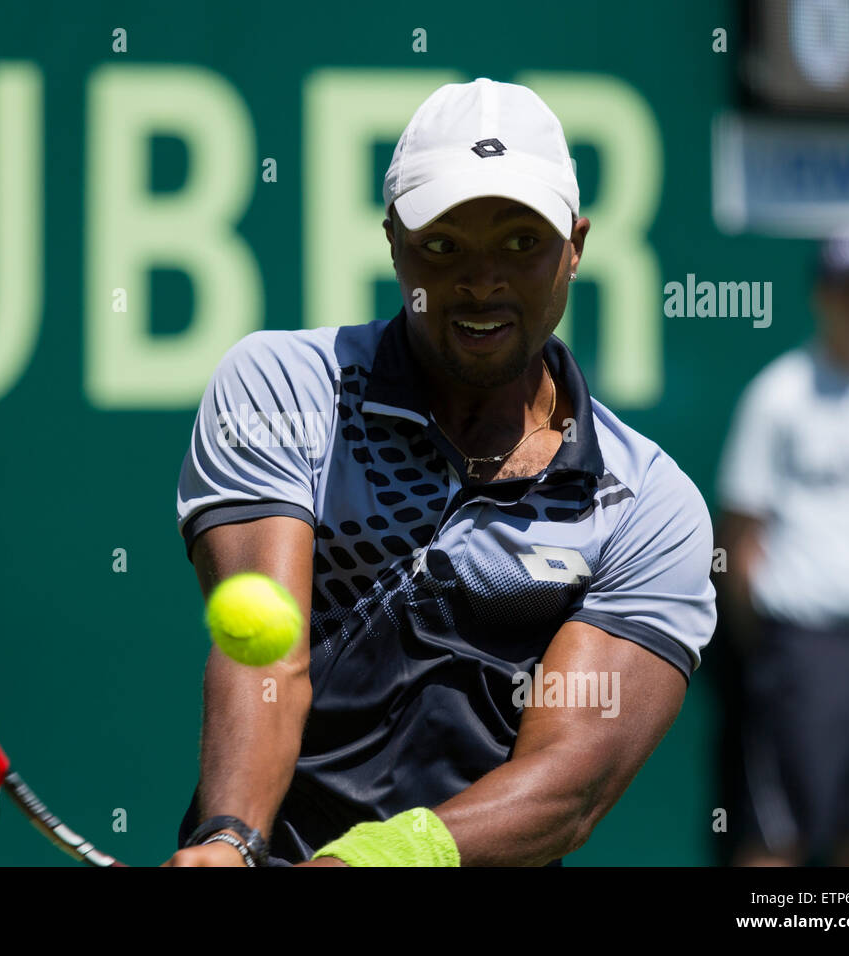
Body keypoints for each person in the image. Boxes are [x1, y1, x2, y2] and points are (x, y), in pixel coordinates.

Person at [164, 78, 716, 867]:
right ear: (394, 240)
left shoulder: (648, 507)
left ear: (576, 246)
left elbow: (567, 788)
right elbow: (265, 649)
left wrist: (372, 861)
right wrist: (231, 836)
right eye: (445, 244)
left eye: (521, 244)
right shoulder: (282, 387)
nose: (482, 282)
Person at [717, 232, 849, 867]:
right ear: (820, 298)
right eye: (845, 289)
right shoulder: (778, 396)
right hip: (801, 647)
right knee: (779, 833)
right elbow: (742, 532)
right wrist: (767, 647)